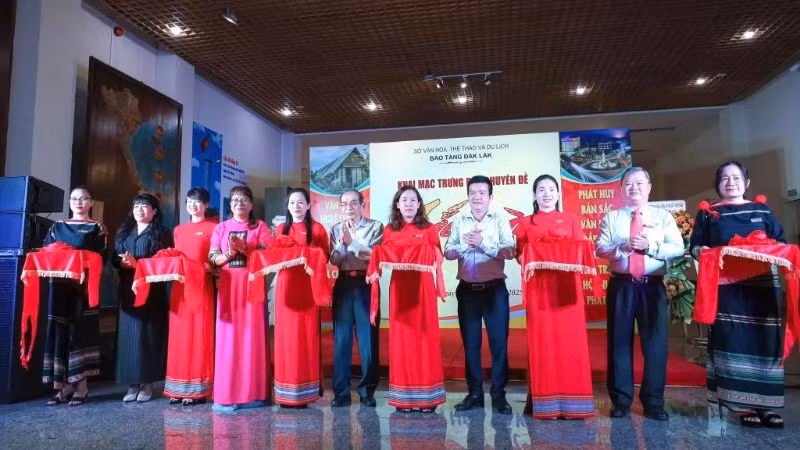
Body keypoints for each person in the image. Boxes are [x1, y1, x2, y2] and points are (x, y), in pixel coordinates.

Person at [690, 161, 787, 428]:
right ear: (717, 183)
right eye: (724, 178)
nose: (730, 183)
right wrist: (712, 253)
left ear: (746, 181)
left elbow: (781, 242)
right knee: (732, 339)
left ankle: (767, 405)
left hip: (764, 286)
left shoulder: (762, 210)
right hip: (727, 288)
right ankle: (740, 404)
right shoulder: (709, 214)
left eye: (735, 177)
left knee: (765, 341)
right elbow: (696, 247)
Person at [596, 167, 683, 421]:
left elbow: (677, 248)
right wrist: (621, 247)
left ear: (649, 187)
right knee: (619, 342)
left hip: (652, 286)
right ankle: (621, 400)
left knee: (655, 344)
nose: (634, 188)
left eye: (639, 183)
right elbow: (600, 248)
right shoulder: (611, 218)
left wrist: (651, 246)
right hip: (621, 285)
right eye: (628, 184)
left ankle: (654, 402)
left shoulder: (663, 216)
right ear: (621, 188)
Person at [513, 174, 594, 419]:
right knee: (543, 343)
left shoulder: (570, 219)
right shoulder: (526, 223)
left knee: (571, 343)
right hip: (539, 290)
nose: (546, 193)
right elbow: (519, 256)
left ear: (558, 194)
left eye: (551, 189)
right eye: (541, 189)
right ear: (535, 195)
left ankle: (574, 403)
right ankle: (544, 401)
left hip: (567, 289)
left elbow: (581, 251)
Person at [444, 175, 515, 414]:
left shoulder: (501, 220)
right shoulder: (459, 221)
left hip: (494, 290)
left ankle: (498, 395)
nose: (477, 197)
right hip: (467, 291)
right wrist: (465, 246)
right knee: (471, 346)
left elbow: (510, 250)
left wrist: (484, 243)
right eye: (472, 193)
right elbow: (448, 251)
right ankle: (474, 393)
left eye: (481, 193)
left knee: (498, 346)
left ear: (490, 197)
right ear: (467, 196)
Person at [374, 185, 446, 412]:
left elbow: (438, 256)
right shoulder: (389, 230)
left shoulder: (430, 229)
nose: (408, 204)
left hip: (423, 288)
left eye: (413, 200)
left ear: (419, 204)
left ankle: (428, 398)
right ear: (397, 204)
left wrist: (424, 251)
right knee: (402, 341)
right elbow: (383, 254)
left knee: (425, 340)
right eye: (404, 200)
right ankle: (403, 398)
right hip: (400, 290)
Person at [40, 186, 107, 406]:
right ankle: (61, 387)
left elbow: (101, 258)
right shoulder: (57, 227)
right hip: (58, 286)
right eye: (75, 198)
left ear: (90, 203)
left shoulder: (97, 228)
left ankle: (82, 386)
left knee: (81, 331)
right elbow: (46, 253)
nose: (78, 202)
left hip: (84, 287)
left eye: (83, 199)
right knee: (58, 331)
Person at [209, 185, 272, 411]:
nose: (239, 203)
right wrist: (229, 254)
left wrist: (247, 249)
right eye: (235, 200)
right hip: (229, 286)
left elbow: (269, 255)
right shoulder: (221, 228)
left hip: (252, 284)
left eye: (244, 199)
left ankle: (254, 393)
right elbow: (213, 257)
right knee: (228, 339)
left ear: (251, 204)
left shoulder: (261, 227)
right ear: (230, 205)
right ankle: (227, 394)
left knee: (253, 337)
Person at [113, 193, 173, 402]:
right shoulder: (124, 231)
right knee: (129, 338)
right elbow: (114, 259)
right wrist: (122, 263)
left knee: (148, 337)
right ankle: (132, 385)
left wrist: (137, 264)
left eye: (145, 206)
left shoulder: (163, 233)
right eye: (136, 205)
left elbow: (165, 262)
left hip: (152, 292)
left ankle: (147, 384)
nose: (139, 209)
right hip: (129, 291)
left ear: (154, 211)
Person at [273, 187, 329, 407]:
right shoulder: (281, 229)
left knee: (306, 337)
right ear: (287, 207)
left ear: (308, 205)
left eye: (300, 202)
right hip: (286, 287)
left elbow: (324, 256)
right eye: (292, 203)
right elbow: (274, 256)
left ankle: (306, 391)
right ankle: (285, 390)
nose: (296, 206)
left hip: (308, 287)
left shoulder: (317, 229)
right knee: (286, 338)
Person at [329, 189, 384, 407]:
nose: (349, 208)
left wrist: (352, 244)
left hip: (366, 284)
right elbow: (333, 259)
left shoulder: (375, 227)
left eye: (353, 203)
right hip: (343, 283)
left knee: (367, 340)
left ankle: (366, 392)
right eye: (344, 204)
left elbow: (373, 255)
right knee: (341, 340)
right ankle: (341, 393)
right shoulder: (335, 229)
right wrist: (342, 245)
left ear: (363, 205)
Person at [164, 188, 217, 405]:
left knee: (200, 335)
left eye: (198, 202)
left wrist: (207, 267)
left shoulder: (215, 228)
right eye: (189, 201)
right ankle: (177, 386)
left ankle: (198, 389)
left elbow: (216, 260)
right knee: (179, 336)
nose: (193, 205)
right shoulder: (178, 230)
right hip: (180, 288)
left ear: (206, 205)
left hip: (202, 287)